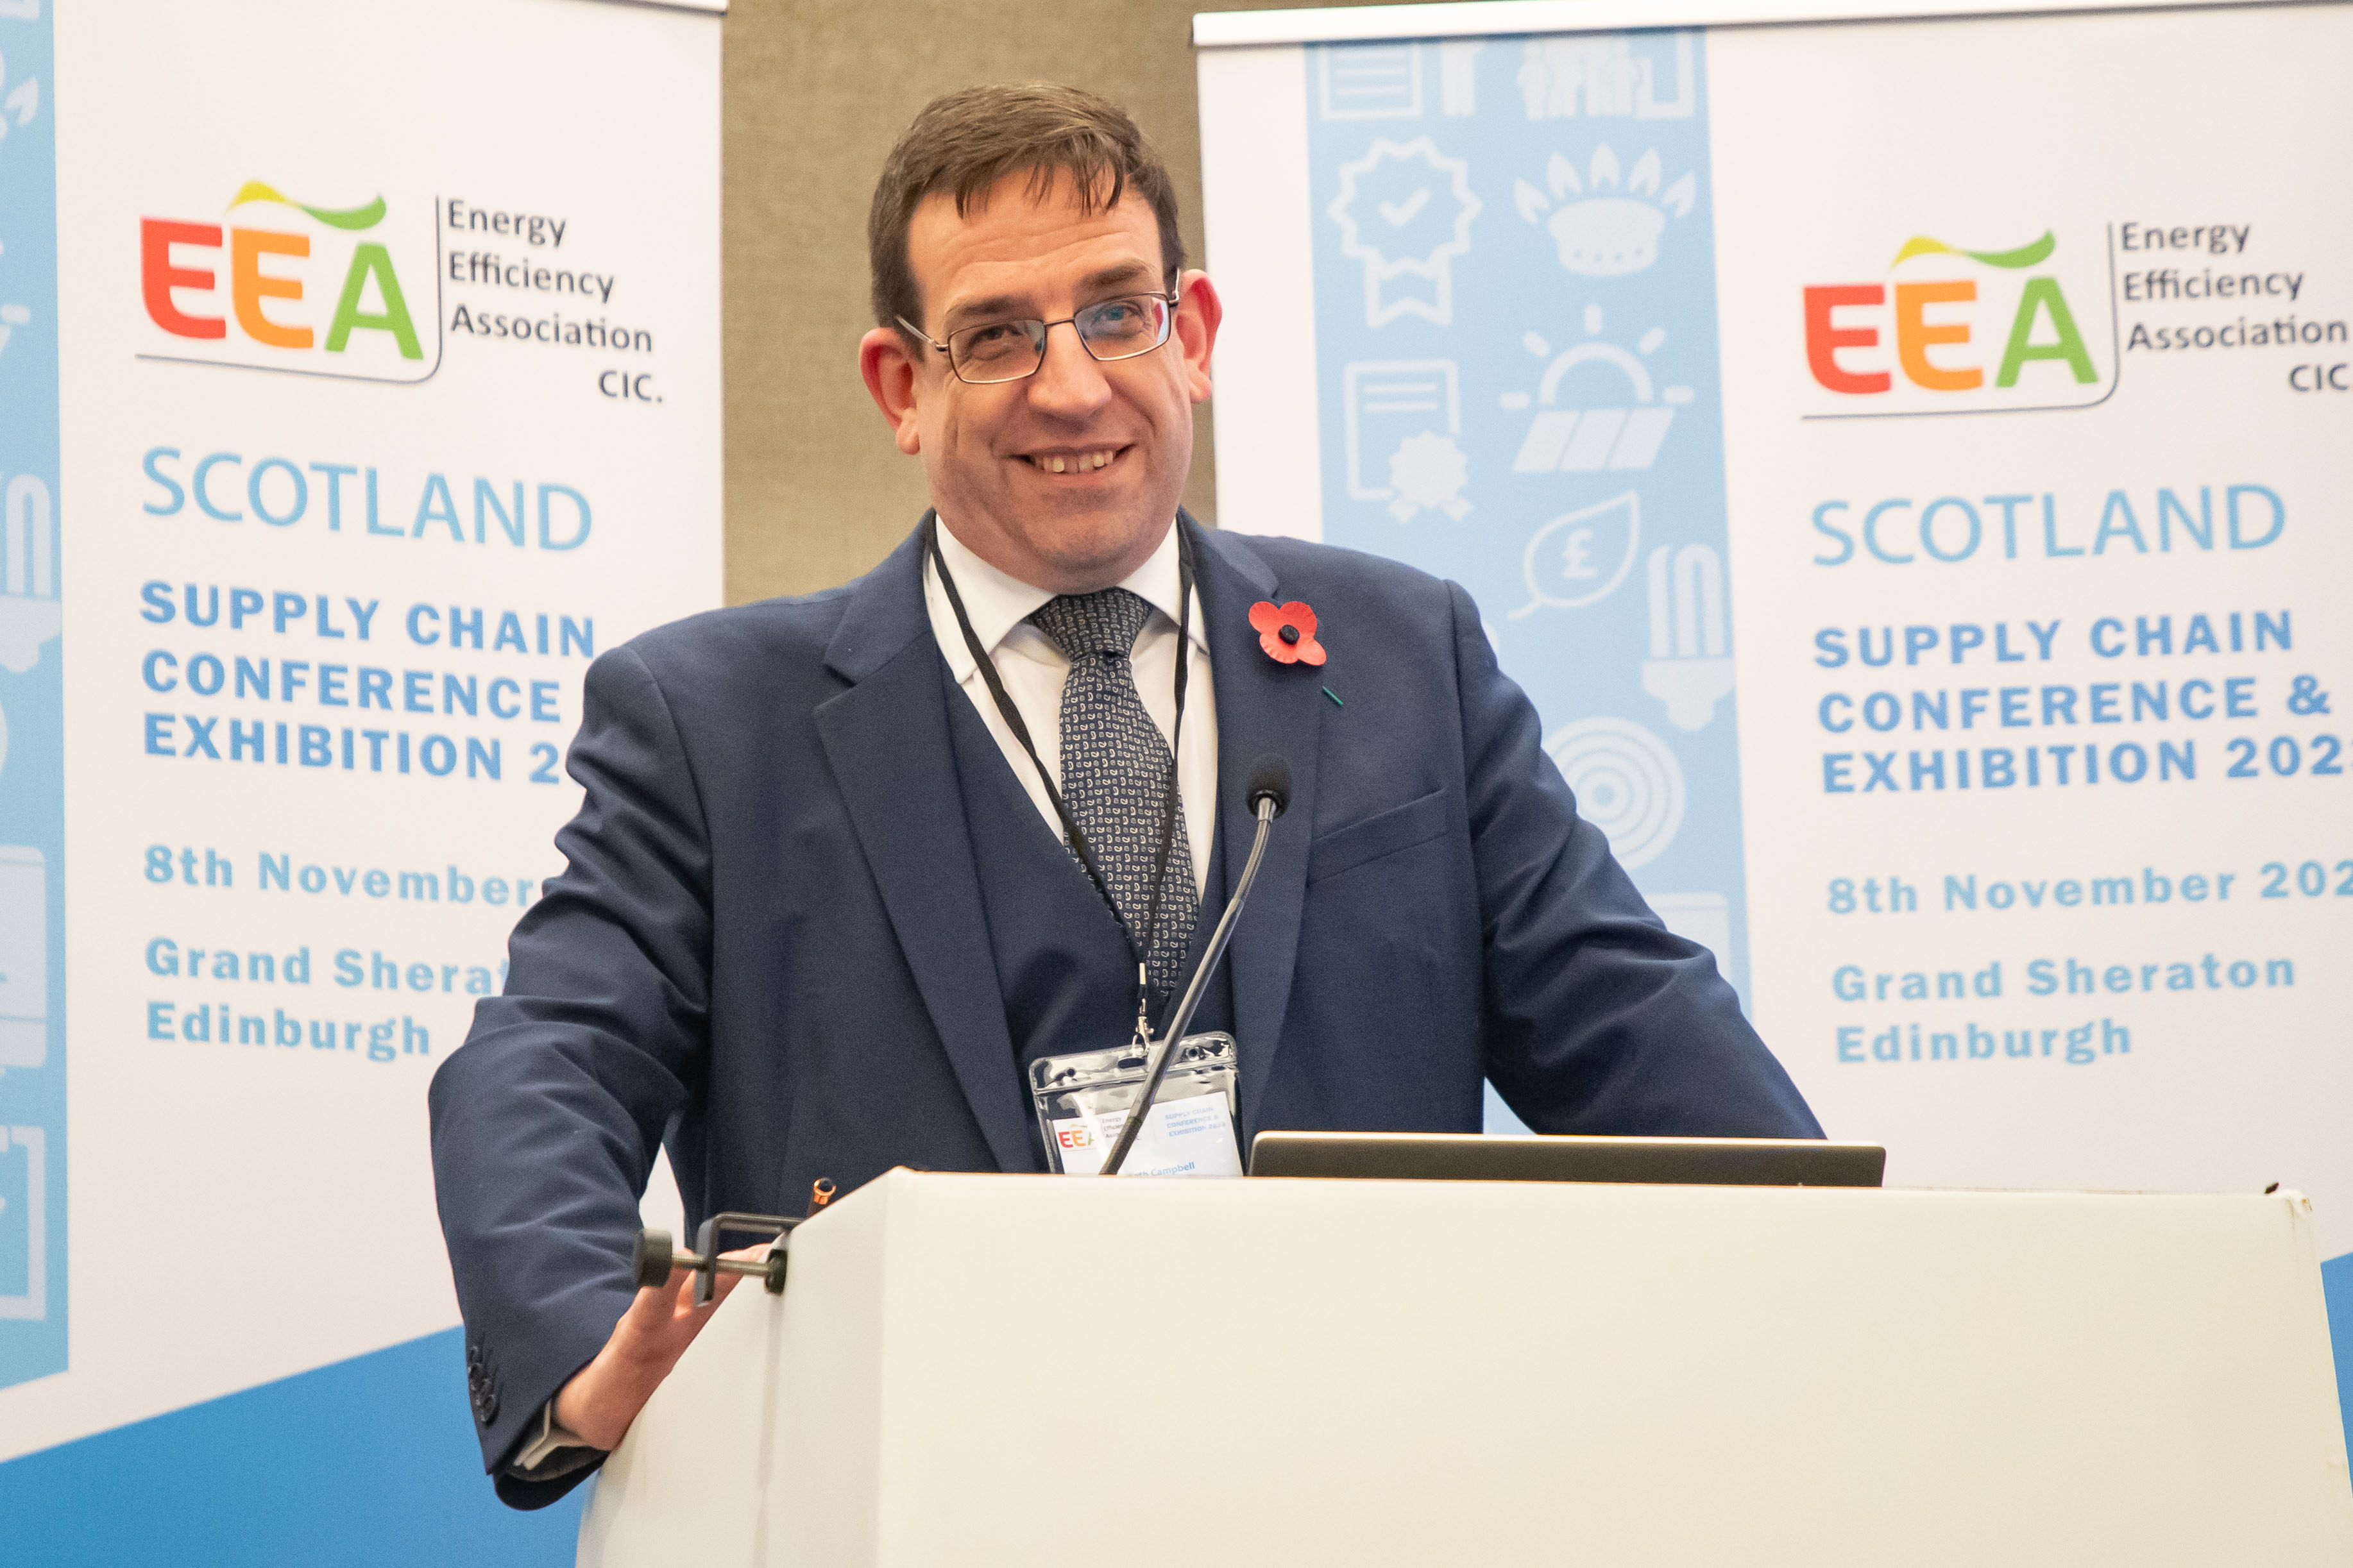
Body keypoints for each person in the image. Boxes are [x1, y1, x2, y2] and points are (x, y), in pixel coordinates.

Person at [429, 82, 1821, 1508]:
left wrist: (1846, 1281)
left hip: (1367, 1484)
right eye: (995, 335)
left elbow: (1630, 1026)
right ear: (901, 387)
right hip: (919, 1494)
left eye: (1117, 313)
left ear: (1193, 334)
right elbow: (548, 1058)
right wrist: (585, 1338)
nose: (1074, 386)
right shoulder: (715, 722)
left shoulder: (1407, 656)